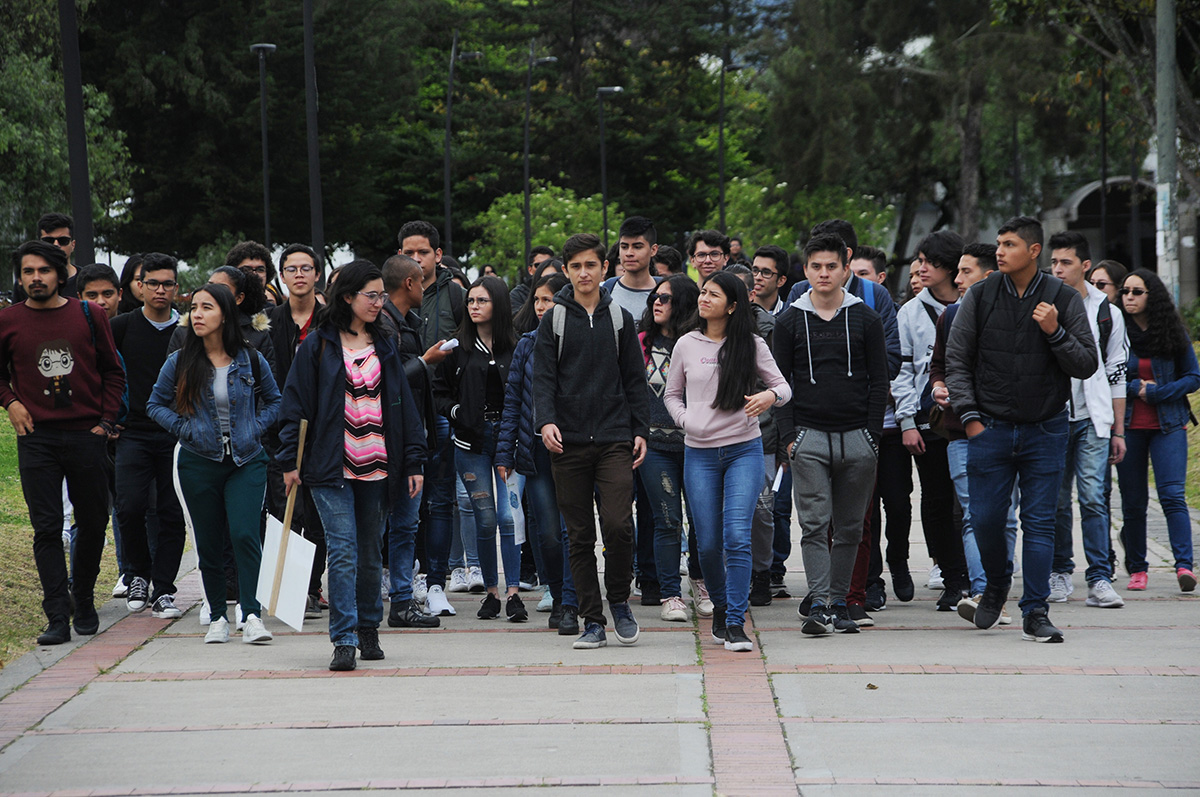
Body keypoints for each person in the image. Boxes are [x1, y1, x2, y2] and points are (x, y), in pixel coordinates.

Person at [945, 216, 1098, 643]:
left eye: (1009, 244)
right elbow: (957, 360)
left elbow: (1086, 363)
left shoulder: (1062, 298)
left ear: (1033, 251)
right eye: (998, 243)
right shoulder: (980, 295)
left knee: (1040, 523)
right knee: (988, 519)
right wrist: (971, 419)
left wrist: (1055, 331)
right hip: (989, 429)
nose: (999, 251)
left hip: (1046, 430)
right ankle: (995, 586)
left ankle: (1035, 611)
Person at [278, 261, 426, 671]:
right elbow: (294, 407)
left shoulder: (385, 343)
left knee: (368, 555)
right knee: (342, 551)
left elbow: (404, 407)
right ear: (348, 297)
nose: (380, 303)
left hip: (379, 464)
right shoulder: (318, 346)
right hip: (329, 467)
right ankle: (342, 639)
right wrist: (290, 462)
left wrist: (413, 459)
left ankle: (368, 629)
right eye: (371, 295)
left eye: (382, 295)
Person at [1, 240, 124, 645]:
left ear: (59, 273)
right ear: (20, 278)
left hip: (86, 434)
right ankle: (56, 614)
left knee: (92, 521)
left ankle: (83, 599)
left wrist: (105, 422)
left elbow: (112, 371)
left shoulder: (88, 314)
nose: (35, 278)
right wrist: (12, 403)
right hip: (37, 438)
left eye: (43, 271)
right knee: (47, 528)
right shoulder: (8, 320)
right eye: (27, 272)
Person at [532, 233, 650, 649]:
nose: (584, 273)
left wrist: (641, 430)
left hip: (616, 437)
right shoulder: (554, 319)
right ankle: (592, 620)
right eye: (576, 266)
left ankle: (618, 599)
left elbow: (635, 380)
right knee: (578, 535)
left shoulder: (621, 318)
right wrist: (545, 421)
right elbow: (542, 378)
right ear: (566, 270)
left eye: (591, 265)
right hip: (569, 442)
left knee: (619, 526)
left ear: (606, 268)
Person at [147, 282, 281, 644]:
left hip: (247, 459)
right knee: (207, 541)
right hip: (198, 461)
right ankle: (218, 616)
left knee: (244, 534)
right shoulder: (180, 361)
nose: (198, 315)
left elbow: (275, 401)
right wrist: (184, 428)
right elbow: (155, 404)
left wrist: (255, 426)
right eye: (194, 308)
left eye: (207, 308)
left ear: (225, 315)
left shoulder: (251, 358)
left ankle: (251, 615)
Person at [664, 271, 790, 652]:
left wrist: (769, 398)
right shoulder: (686, 343)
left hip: (743, 450)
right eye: (703, 292)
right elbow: (671, 395)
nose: (703, 298)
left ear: (732, 306)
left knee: (737, 536)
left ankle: (736, 621)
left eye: (713, 294)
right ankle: (720, 604)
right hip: (699, 454)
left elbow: (783, 387)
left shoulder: (750, 344)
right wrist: (688, 421)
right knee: (707, 545)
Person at [773, 233, 887, 637]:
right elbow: (780, 383)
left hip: (858, 437)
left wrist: (873, 436)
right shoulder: (789, 320)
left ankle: (841, 602)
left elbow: (879, 381)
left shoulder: (866, 318)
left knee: (851, 527)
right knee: (815, 524)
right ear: (805, 270)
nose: (823, 273)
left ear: (845, 268)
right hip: (809, 437)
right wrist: (790, 437)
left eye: (831, 266)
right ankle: (819, 604)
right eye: (816, 266)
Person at [927, 243, 1012, 624]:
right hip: (962, 430)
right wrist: (939, 388)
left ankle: (999, 591)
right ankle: (982, 592)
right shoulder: (950, 315)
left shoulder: (1016, 316)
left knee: (1006, 517)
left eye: (966, 272)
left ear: (989, 276)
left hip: (1009, 428)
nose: (957, 280)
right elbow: (939, 367)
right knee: (974, 512)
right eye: (957, 271)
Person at [1047, 231, 1128, 608]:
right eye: (1054, 262)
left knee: (1094, 497)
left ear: (1085, 266)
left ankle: (1099, 576)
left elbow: (1117, 372)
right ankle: (1060, 571)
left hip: (1093, 418)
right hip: (1052, 416)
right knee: (1057, 501)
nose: (1058, 269)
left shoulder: (1105, 311)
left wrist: (1118, 429)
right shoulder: (1043, 303)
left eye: (1066, 262)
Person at [434, 276, 522, 620]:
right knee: (485, 518)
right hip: (470, 442)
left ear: (498, 305)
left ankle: (514, 593)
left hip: (509, 442)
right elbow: (439, 394)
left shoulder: (518, 347)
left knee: (507, 516)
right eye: (470, 300)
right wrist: (458, 413)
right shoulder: (455, 349)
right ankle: (491, 592)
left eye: (482, 301)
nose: (474, 306)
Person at [892, 229, 969, 612]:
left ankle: (977, 575)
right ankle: (952, 577)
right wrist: (907, 420)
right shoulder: (909, 312)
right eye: (919, 261)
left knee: (969, 502)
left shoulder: (975, 304)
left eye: (929, 262)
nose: (920, 268)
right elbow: (903, 372)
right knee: (937, 499)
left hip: (972, 419)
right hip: (930, 420)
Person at [497, 272, 577, 632]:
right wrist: (504, 452)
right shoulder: (526, 344)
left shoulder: (581, 339)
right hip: (537, 450)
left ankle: (572, 602)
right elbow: (512, 400)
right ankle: (558, 595)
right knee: (546, 530)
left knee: (571, 529)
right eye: (538, 300)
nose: (543, 307)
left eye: (551, 299)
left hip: (576, 450)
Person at [110, 253, 188, 620]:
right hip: (132, 433)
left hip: (177, 434)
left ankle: (164, 588)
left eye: (167, 283)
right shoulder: (122, 326)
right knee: (129, 506)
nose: (160, 290)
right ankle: (137, 574)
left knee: (172, 512)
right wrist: (109, 417)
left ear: (176, 287)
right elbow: (104, 373)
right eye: (152, 283)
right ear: (138, 286)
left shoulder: (187, 330)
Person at [1114, 269, 1199, 593]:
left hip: (1169, 425)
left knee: (1173, 496)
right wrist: (1137, 387)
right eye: (1125, 292)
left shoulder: (1171, 331)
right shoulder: (1116, 331)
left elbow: (1193, 376)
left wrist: (1159, 392)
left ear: (1153, 296)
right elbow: (1107, 375)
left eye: (1137, 292)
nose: (1129, 297)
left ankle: (1184, 566)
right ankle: (1138, 568)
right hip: (1130, 427)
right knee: (1133, 502)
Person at [380, 254, 449, 623]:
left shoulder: (405, 321)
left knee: (405, 524)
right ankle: (395, 602)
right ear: (409, 283)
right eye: (422, 281)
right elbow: (390, 383)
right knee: (396, 524)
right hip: (394, 442)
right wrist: (425, 361)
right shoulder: (387, 326)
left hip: (409, 438)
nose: (425, 287)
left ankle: (401, 601)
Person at [398, 221, 462, 614]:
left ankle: (436, 582)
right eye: (408, 252)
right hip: (403, 410)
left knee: (440, 501)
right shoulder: (390, 299)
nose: (415, 260)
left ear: (438, 255)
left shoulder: (455, 296)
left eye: (422, 252)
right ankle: (406, 579)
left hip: (440, 408)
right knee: (407, 503)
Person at [634, 274, 700, 623]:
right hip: (654, 446)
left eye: (666, 298)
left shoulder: (700, 343)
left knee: (703, 521)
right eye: (655, 297)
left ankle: (700, 582)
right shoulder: (641, 341)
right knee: (668, 520)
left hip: (698, 444)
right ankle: (670, 594)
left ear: (685, 304)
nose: (657, 302)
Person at [266, 244, 328, 618]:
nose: (300, 275)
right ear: (283, 276)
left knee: (319, 517)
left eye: (306, 268)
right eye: (292, 269)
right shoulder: (268, 321)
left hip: (325, 432)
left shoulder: (331, 320)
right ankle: (286, 589)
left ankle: (311, 587)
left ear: (317, 274)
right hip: (279, 431)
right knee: (284, 512)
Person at [602, 217, 662, 320]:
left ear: (653, 250)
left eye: (637, 247)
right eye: (624, 247)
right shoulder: (606, 290)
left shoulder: (664, 291)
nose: (629, 253)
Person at [12, 214, 79, 302]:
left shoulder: (86, 279)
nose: (56, 245)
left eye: (63, 241)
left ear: (73, 245)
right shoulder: (27, 282)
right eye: (48, 241)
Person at [226, 240, 282, 307]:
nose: (254, 274)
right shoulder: (223, 310)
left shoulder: (273, 314)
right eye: (247, 269)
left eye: (260, 270)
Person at [509, 245, 555, 312]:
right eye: (538, 265)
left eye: (547, 265)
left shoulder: (564, 291)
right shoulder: (518, 294)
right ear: (530, 270)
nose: (542, 269)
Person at [751, 245, 790, 316]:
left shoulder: (790, 316)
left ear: (781, 281)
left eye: (766, 272)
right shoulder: (738, 311)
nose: (758, 277)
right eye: (755, 270)